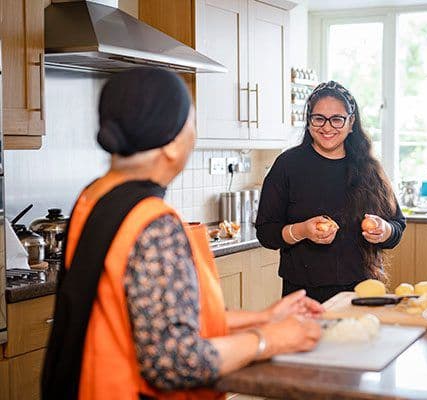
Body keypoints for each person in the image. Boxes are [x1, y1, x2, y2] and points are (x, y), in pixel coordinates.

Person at [41, 67, 323, 400]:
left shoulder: (94, 197)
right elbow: (174, 361)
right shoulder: (152, 223)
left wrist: (263, 317)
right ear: (172, 144)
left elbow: (159, 320)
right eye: (192, 123)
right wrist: (269, 339)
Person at [256, 80, 406, 303]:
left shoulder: (369, 168)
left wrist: (384, 230)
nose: (327, 127)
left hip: (362, 291)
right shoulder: (287, 165)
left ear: (351, 122)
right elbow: (266, 232)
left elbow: (397, 225)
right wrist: (302, 231)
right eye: (319, 118)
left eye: (337, 119)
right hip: (303, 294)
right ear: (308, 121)